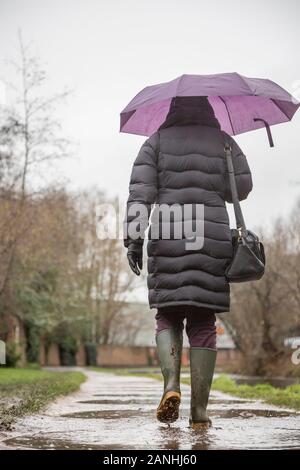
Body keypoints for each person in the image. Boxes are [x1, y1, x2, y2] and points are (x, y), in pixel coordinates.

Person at [123, 96, 253, 430]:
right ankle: (199, 411)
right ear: (209, 109)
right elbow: (242, 187)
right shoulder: (223, 141)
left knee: (167, 313)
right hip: (211, 239)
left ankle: (170, 386)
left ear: (171, 110)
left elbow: (140, 195)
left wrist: (134, 240)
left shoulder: (156, 142)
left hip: (167, 235)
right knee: (202, 319)